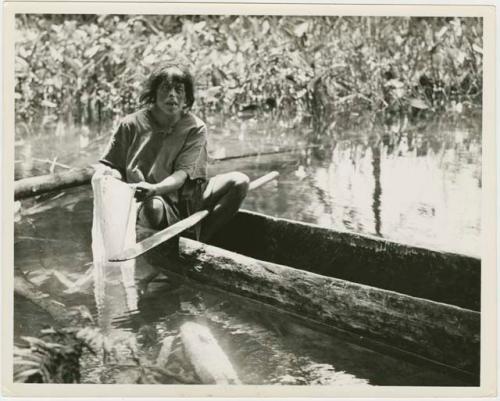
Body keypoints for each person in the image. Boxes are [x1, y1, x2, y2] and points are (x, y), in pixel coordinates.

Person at [95, 64, 249, 245]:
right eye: (166, 89)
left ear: (186, 97)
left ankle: (201, 240)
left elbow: (182, 175)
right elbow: (114, 166)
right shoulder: (131, 124)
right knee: (154, 210)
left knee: (240, 181)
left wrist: (156, 188)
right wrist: (111, 176)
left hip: (189, 197)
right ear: (154, 94)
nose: (172, 95)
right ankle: (168, 240)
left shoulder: (195, 127)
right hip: (150, 199)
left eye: (179, 90)